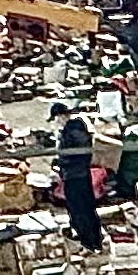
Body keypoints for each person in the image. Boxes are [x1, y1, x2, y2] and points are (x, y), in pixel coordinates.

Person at [53, 103, 105, 251]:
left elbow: (73, 153)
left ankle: (88, 243)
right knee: (88, 209)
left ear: (62, 116)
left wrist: (60, 164)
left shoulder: (71, 131)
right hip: (82, 174)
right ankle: (94, 241)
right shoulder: (78, 129)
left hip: (74, 176)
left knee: (79, 210)